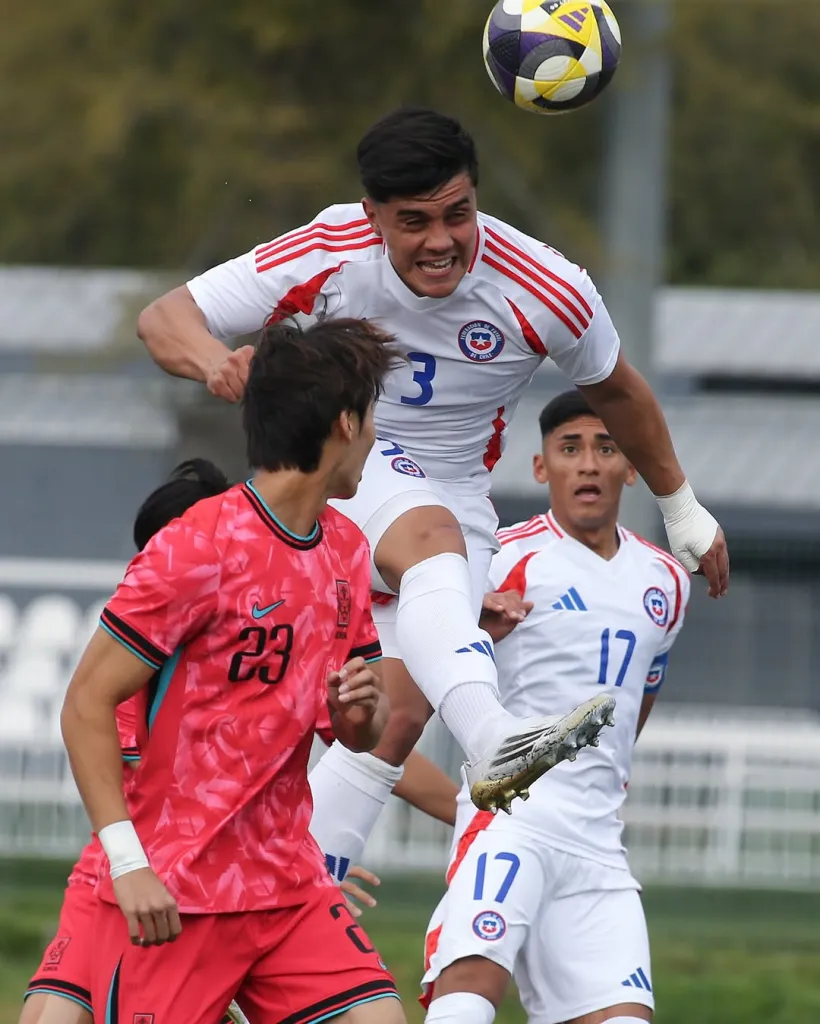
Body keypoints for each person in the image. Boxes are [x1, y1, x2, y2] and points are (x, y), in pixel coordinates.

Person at [136, 107, 724, 873]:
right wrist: (215, 360)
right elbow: (164, 318)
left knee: (398, 715)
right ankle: (493, 739)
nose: (442, 241)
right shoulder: (330, 248)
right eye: (414, 222)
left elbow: (618, 392)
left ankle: (292, 894)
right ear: (372, 214)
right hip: (342, 464)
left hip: (455, 490)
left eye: (459, 214)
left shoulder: (546, 287)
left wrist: (683, 508)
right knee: (431, 540)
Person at [60, 319, 408, 1024]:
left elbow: (359, 733)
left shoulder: (346, 549)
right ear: (345, 423)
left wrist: (358, 709)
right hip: (177, 891)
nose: (376, 439)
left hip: (288, 887)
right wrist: (128, 865)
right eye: (373, 419)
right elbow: (85, 704)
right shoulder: (198, 545)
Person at [23, 457, 455, 1024]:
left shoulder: (286, 607)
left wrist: (301, 870)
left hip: (261, 885)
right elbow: (138, 783)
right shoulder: (132, 672)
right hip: (139, 879)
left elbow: (354, 738)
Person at [421, 390, 691, 1024]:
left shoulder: (667, 582)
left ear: (629, 465)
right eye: (570, 449)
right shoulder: (503, 560)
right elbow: (432, 653)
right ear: (542, 467)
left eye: (606, 447)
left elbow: (634, 705)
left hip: (599, 841)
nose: (589, 464)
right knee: (467, 996)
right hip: (511, 819)